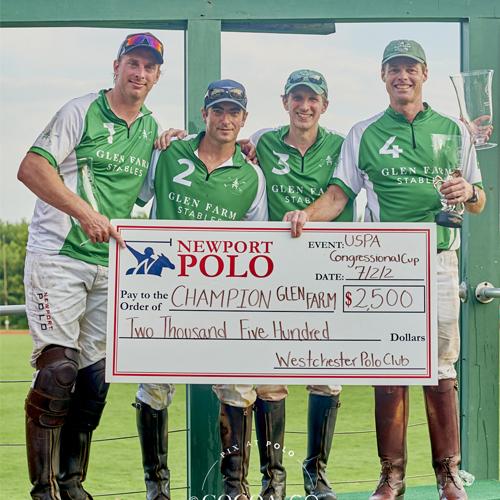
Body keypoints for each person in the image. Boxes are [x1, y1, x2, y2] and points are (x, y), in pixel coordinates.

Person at [284, 40, 486, 500]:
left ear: (425, 73)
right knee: (390, 365)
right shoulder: (364, 132)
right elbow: (340, 194)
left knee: (441, 366)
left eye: (410, 68)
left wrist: (469, 192)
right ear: (383, 76)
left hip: (438, 258)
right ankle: (391, 476)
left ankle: (448, 475)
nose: (402, 77)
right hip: (384, 264)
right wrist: (305, 216)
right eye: (394, 69)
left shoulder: (455, 130)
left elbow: (479, 199)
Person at [17, 32, 164, 499]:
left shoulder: (149, 128)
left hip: (108, 265)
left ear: (157, 76)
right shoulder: (80, 111)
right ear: (116, 66)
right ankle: (43, 491)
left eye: (149, 67)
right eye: (132, 63)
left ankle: (73, 483)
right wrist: (84, 213)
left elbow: (147, 190)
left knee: (93, 383)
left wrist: (177, 143)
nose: (139, 73)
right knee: (57, 373)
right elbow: (31, 168)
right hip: (59, 256)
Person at [134, 79, 269, 500]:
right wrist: (156, 140)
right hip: (164, 294)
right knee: (154, 387)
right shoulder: (168, 153)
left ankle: (235, 488)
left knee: (237, 387)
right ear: (204, 114)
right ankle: (158, 488)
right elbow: (137, 194)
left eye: (234, 112)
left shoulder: (253, 176)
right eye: (218, 110)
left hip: (221, 299)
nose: (225, 119)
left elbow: (257, 242)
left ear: (244, 119)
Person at [247, 69, 356, 500]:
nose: (304, 106)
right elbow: (225, 144)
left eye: (313, 99)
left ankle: (316, 473)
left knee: (325, 376)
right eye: (297, 98)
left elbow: (341, 197)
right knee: (269, 377)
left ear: (324, 105)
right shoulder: (263, 141)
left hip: (327, 272)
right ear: (285, 101)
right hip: (274, 272)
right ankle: (273, 479)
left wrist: (305, 216)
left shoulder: (343, 145)